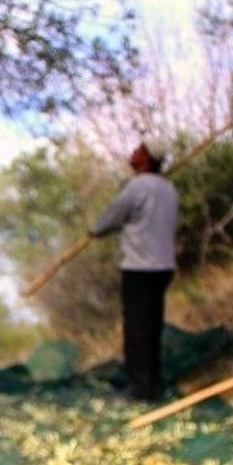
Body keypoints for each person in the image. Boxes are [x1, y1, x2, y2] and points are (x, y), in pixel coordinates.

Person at [89, 138, 178, 402]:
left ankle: (140, 388)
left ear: (147, 158)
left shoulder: (137, 187)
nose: (133, 152)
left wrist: (94, 230)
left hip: (140, 267)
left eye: (139, 150)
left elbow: (112, 216)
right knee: (151, 326)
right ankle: (151, 383)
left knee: (137, 328)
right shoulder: (168, 188)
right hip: (163, 266)